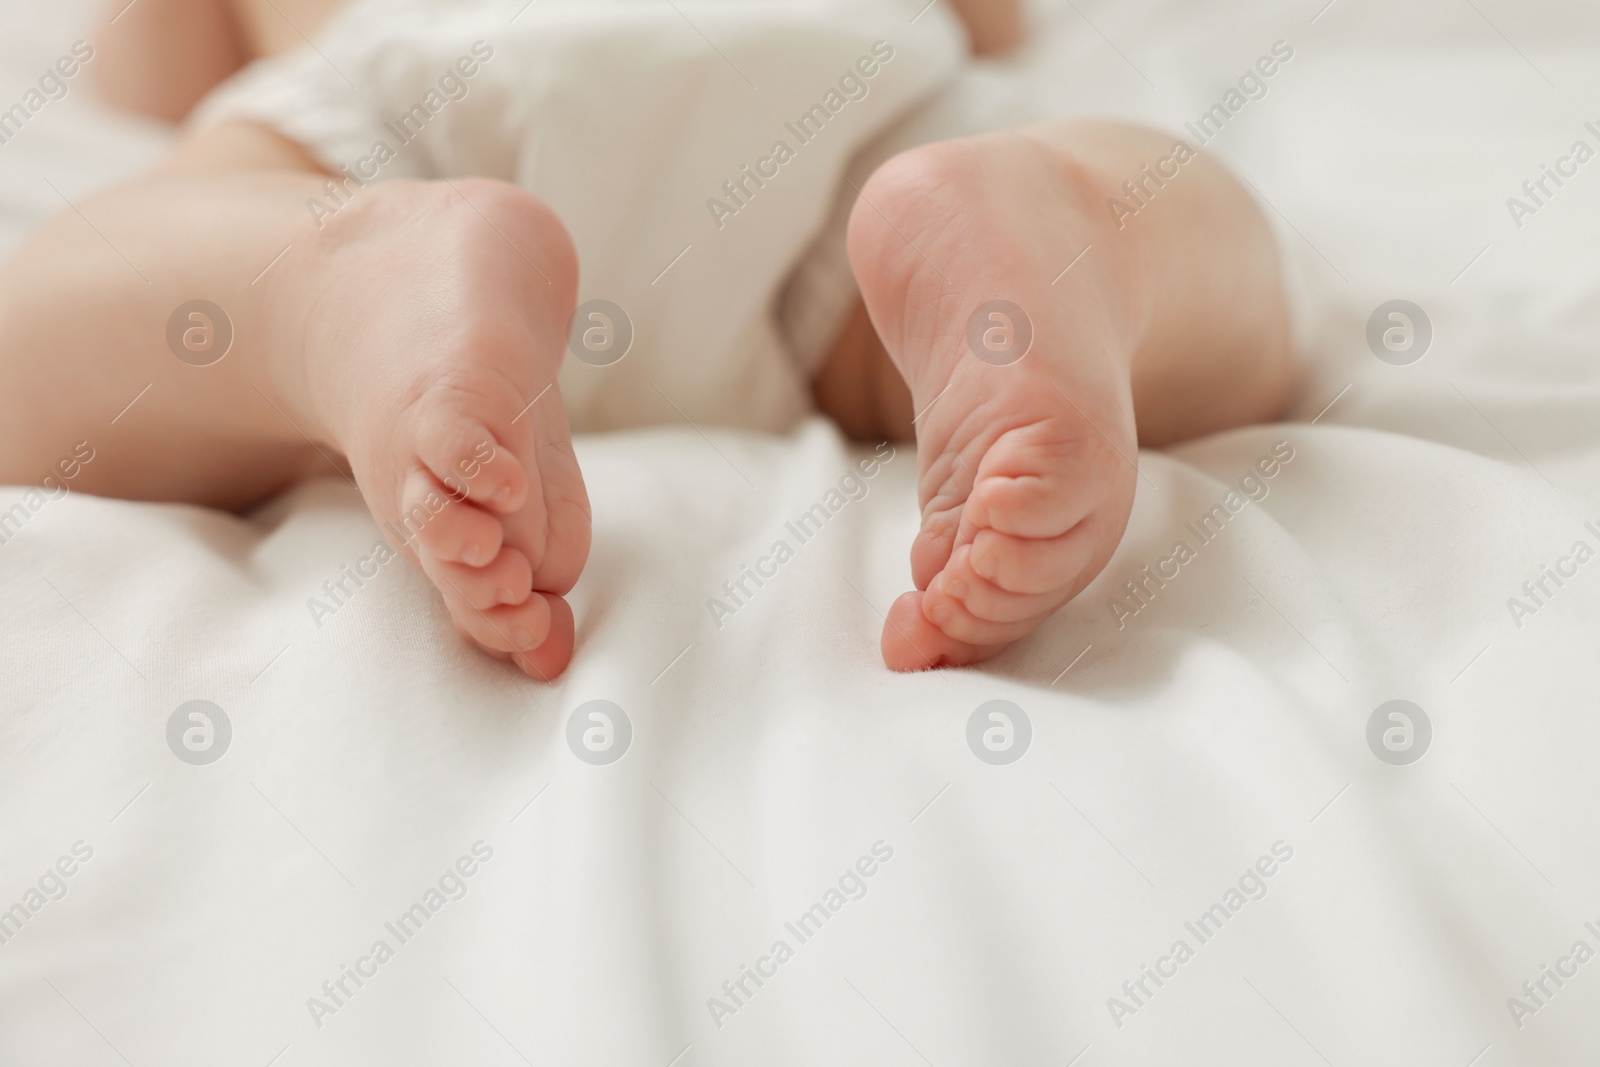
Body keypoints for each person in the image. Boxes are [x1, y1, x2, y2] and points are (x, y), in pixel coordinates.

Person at [0, 0, 1294, 677]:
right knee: (1159, 225)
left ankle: (341, 282)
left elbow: (146, 70)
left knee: (57, 340)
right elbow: (996, 18)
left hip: (422, 81)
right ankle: (1062, 233)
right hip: (829, 78)